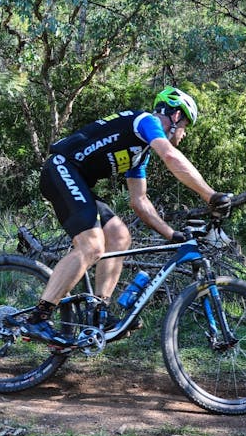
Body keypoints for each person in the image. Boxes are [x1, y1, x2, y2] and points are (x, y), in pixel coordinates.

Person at [20, 86, 232, 346]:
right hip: (61, 168)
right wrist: (210, 195)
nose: (184, 134)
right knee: (92, 244)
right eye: (186, 125)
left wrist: (172, 235)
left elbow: (139, 202)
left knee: (119, 236)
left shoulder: (139, 154)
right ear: (175, 117)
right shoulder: (146, 122)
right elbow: (169, 155)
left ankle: (98, 313)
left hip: (78, 181)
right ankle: (38, 319)